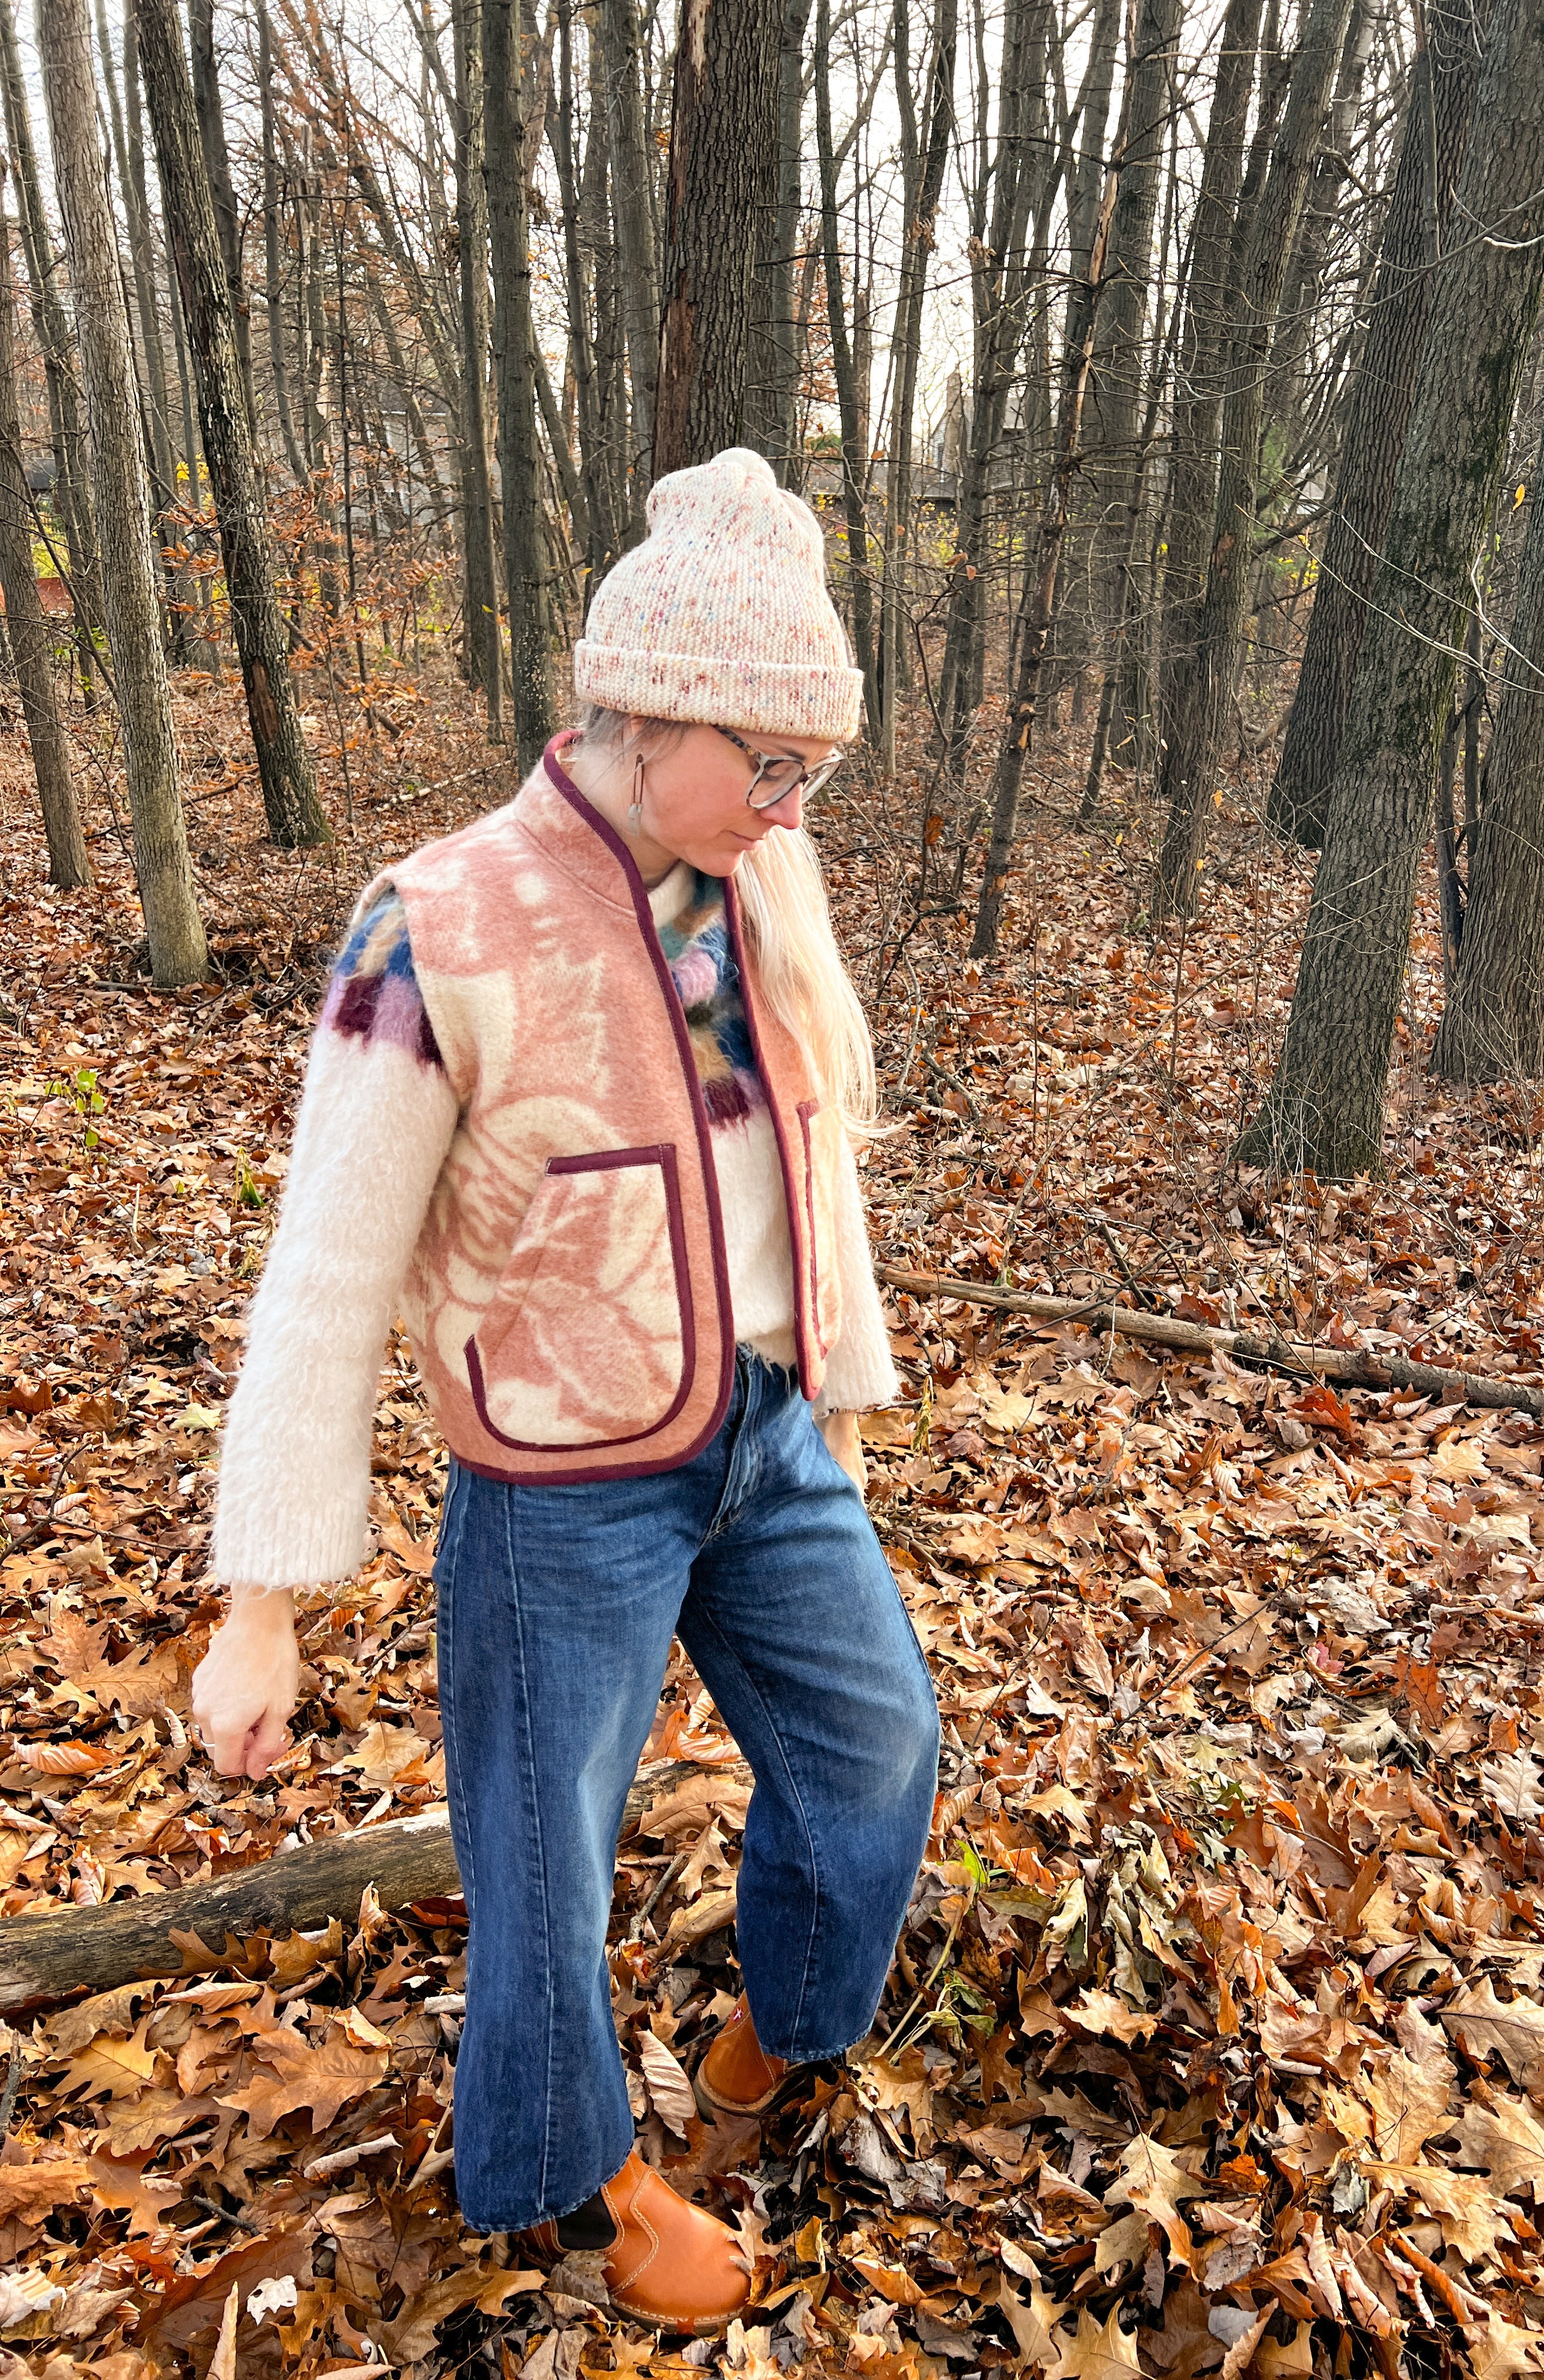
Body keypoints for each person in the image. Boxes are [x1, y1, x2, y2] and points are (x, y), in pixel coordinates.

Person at [191, 448, 942, 2340]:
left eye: (811, 773)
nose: (791, 805)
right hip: (554, 1488)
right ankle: (583, 2174)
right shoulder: (435, 920)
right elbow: (325, 1272)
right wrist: (261, 1608)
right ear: (644, 711)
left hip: (762, 1444)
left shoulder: (766, 883)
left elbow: (810, 1167)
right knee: (545, 1865)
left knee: (874, 1769)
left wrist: (832, 1405)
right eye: (767, 763)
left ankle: (772, 2041)